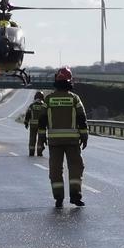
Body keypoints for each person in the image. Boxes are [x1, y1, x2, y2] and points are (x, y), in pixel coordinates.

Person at [37, 67, 88, 208]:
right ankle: (75, 196)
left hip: (54, 142)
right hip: (72, 141)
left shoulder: (48, 100)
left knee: (55, 170)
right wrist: (84, 136)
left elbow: (42, 121)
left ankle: (59, 197)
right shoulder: (74, 99)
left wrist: (41, 139)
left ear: (56, 81)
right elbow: (82, 119)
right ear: (69, 81)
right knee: (76, 168)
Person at [23, 91, 46, 156]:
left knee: (32, 138)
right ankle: (39, 152)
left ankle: (31, 152)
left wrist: (26, 122)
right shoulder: (44, 106)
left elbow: (28, 114)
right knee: (41, 139)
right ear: (42, 98)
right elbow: (46, 116)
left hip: (33, 126)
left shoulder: (32, 106)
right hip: (41, 126)